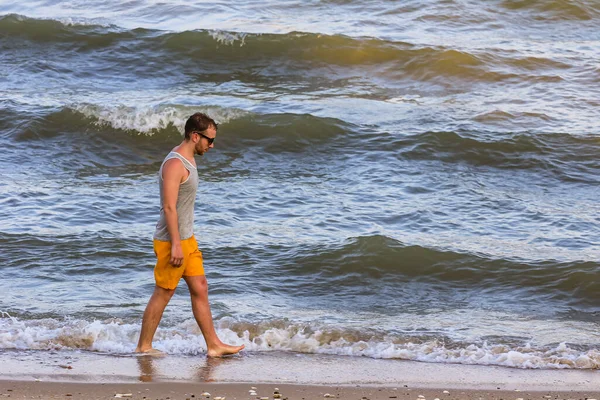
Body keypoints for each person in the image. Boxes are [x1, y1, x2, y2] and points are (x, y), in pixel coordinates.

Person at [136, 112, 244, 357]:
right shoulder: (175, 164)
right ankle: (143, 346)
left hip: (186, 238)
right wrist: (175, 244)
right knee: (164, 292)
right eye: (209, 140)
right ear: (195, 136)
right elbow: (169, 207)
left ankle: (214, 346)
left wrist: (183, 240)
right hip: (172, 240)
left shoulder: (188, 159)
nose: (212, 145)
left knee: (200, 287)